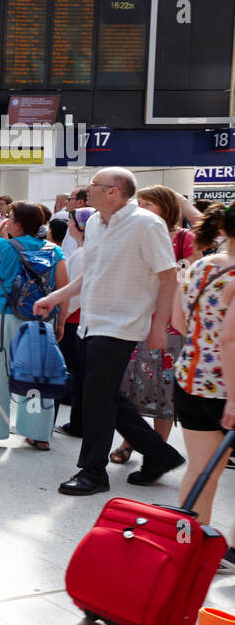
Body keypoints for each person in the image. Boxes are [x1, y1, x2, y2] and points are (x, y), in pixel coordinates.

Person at [34, 167, 184, 495]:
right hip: (91, 322)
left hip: (122, 324)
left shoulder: (146, 224)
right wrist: (56, 297)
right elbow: (91, 273)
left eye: (93, 185)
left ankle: (92, 471)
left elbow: (168, 276)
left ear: (113, 190)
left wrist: (158, 327)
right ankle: (161, 455)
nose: (87, 190)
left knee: (96, 400)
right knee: (106, 396)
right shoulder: (96, 224)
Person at [0, 202, 68, 451]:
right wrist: (61, 321)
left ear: (15, 223)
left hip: (3, 316)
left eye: (9, 218)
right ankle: (38, 435)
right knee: (38, 375)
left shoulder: (3, 246)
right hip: (42, 319)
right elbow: (63, 288)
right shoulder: (54, 250)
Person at [109, 185, 196, 468]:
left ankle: (156, 451)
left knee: (164, 390)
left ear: (165, 207)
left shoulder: (184, 238)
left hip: (170, 324)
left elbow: (187, 274)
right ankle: (133, 440)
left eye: (148, 203)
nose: (141, 208)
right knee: (129, 386)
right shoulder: (134, 233)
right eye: (140, 203)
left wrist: (185, 204)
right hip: (136, 319)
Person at [170, 202, 235, 571]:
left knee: (199, 468)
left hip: (191, 378)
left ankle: (189, 542)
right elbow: (231, 340)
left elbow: (179, 322)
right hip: (229, 388)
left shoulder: (200, 267)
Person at [54, 207, 92, 438]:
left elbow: (75, 295)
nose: (67, 225)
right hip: (79, 320)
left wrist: (62, 317)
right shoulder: (86, 251)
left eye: (70, 221)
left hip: (73, 321)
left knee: (74, 374)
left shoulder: (82, 254)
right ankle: (78, 421)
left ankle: (77, 423)